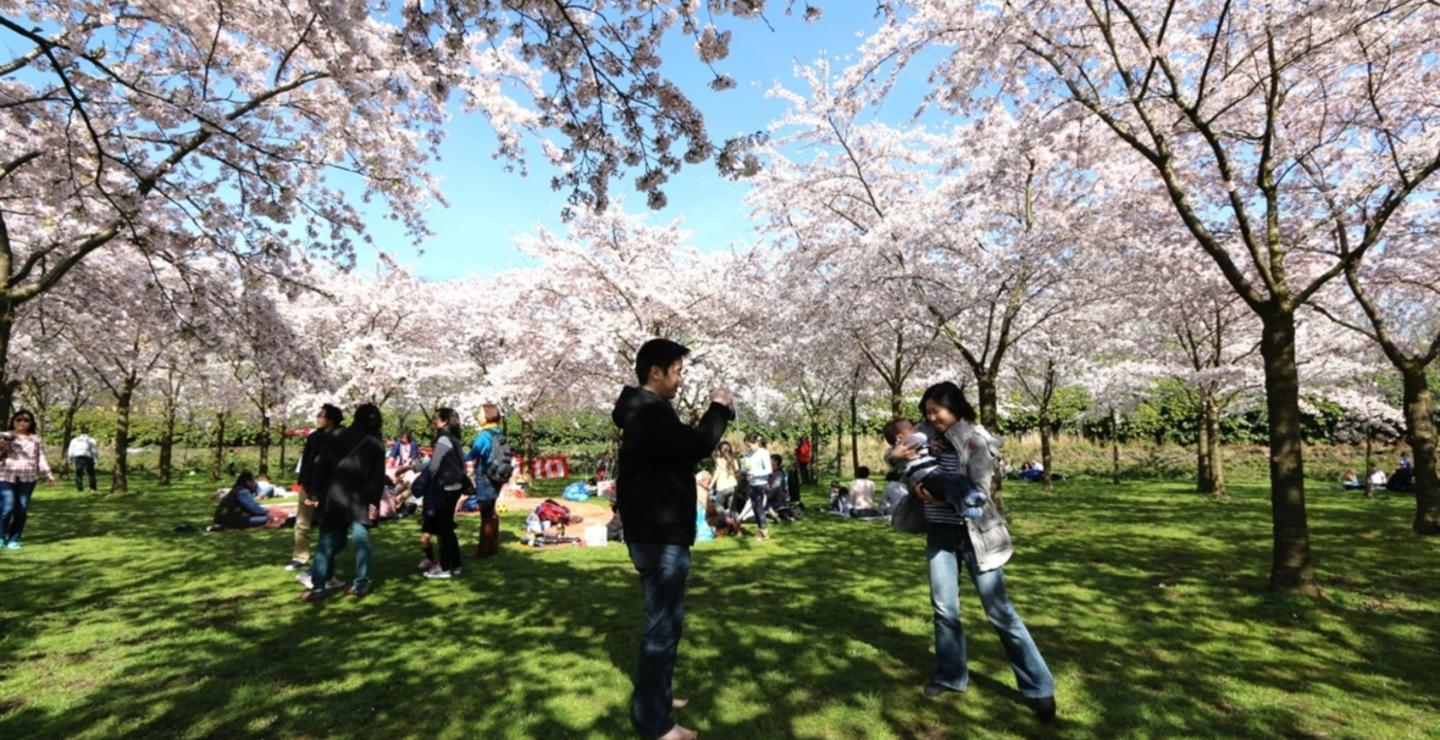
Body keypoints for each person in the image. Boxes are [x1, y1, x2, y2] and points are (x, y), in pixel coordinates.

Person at [891, 382, 1056, 722]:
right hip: (939, 532)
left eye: (937, 411)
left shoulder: (975, 439)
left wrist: (938, 496)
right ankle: (950, 677)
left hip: (977, 535)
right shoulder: (923, 434)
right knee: (944, 609)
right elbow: (900, 460)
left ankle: (1039, 686)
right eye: (927, 412)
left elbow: (981, 491)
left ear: (956, 408)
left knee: (1000, 612)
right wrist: (898, 462)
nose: (931, 418)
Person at [612, 337, 733, 740]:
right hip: (657, 535)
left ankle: (657, 697)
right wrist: (719, 407)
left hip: (656, 532)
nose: (681, 381)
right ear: (655, 372)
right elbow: (697, 445)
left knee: (666, 624)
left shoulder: (648, 411)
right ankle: (656, 723)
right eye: (677, 372)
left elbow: (679, 452)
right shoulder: (648, 413)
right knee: (662, 628)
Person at [301, 403, 386, 601]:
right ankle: (361, 584)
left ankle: (318, 587)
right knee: (361, 542)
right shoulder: (376, 444)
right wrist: (374, 504)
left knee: (327, 543)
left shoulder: (338, 436)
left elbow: (321, 466)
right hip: (360, 500)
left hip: (336, 496)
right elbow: (377, 479)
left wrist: (314, 493)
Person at [883, 418, 989, 519]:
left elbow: (926, 451)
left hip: (937, 473)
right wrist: (893, 455)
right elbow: (920, 438)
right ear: (899, 438)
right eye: (911, 429)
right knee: (950, 490)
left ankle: (971, 495)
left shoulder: (973, 435)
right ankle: (963, 509)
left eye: (936, 411)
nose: (915, 429)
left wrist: (931, 447)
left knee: (960, 479)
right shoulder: (904, 445)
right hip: (926, 478)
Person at [285, 404, 343, 572]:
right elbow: (306, 462)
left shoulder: (340, 437)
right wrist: (303, 483)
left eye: (321, 415)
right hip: (309, 485)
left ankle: (327, 557)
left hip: (330, 488)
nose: (317, 418)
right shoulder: (313, 437)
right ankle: (300, 556)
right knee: (302, 523)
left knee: (329, 525)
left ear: (331, 419)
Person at [420, 407, 469, 579]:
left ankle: (445, 566)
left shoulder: (443, 438)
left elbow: (434, 465)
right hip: (455, 485)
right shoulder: (454, 438)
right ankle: (455, 564)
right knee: (447, 527)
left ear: (445, 420)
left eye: (436, 418)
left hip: (445, 487)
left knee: (443, 529)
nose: (434, 421)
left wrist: (414, 468)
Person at [0, 410, 56, 550]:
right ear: (13, 420)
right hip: (5, 476)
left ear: (31, 423)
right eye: (19, 420)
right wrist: (2, 447)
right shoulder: (4, 436)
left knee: (22, 509)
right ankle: (1, 536)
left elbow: (40, 457)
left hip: (28, 477)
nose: (22, 423)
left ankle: (15, 538)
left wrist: (48, 474)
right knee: (7, 506)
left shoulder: (35, 438)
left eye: (26, 420)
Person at [463, 403, 507, 559]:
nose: (478, 416)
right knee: (492, 511)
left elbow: (474, 453)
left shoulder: (484, 434)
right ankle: (493, 547)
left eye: (480, 413)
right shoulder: (499, 432)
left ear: (488, 415)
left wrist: (459, 457)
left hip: (485, 475)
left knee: (486, 514)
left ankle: (483, 551)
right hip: (498, 475)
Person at [212, 472, 289, 529]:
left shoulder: (237, 490)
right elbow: (253, 508)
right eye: (253, 481)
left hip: (224, 518)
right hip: (231, 520)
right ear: (248, 482)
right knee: (271, 518)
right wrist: (268, 513)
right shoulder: (242, 491)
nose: (255, 483)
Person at [740, 433, 772, 540]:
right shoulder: (747, 454)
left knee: (758, 507)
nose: (748, 448)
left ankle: (764, 530)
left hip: (760, 483)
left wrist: (755, 473)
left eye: (750, 445)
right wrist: (743, 469)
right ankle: (761, 529)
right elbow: (744, 468)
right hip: (751, 483)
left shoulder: (763, 453)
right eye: (747, 446)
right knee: (754, 507)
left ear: (756, 442)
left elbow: (768, 470)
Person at [710, 441, 741, 516]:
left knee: (718, 506)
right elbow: (737, 473)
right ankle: (737, 524)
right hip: (733, 486)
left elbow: (717, 473)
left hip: (722, 487)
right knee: (733, 510)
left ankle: (726, 519)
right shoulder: (734, 460)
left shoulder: (719, 460)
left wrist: (711, 484)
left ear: (720, 450)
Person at [66, 427, 99, 492]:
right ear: (88, 432)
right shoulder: (91, 440)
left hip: (78, 457)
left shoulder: (74, 440)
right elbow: (94, 451)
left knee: (79, 473)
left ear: (81, 432)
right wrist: (95, 459)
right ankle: (93, 488)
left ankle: (79, 488)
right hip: (88, 457)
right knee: (91, 473)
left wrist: (70, 459)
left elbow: (70, 451)